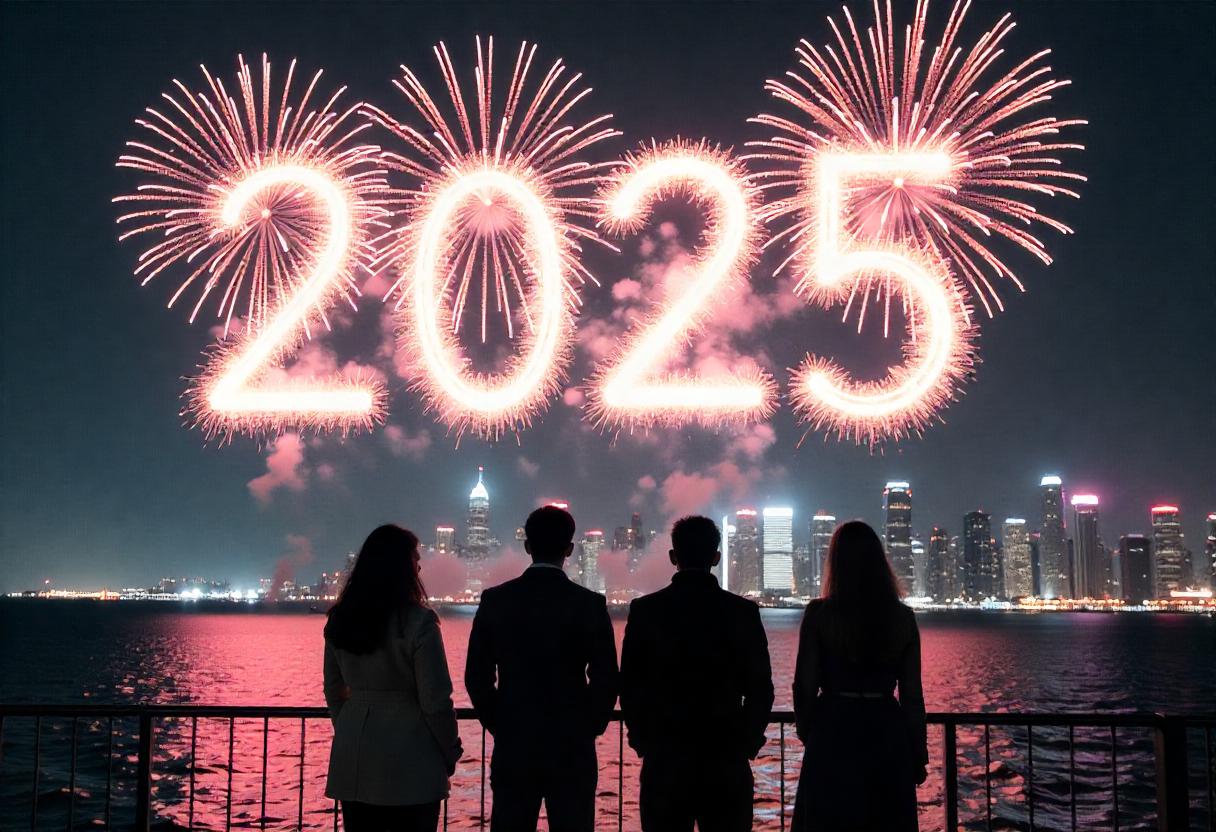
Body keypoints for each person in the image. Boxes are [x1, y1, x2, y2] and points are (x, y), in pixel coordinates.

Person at [465, 505, 619, 832]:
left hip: (515, 746)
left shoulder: (496, 600)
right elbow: (606, 677)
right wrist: (588, 725)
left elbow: (476, 676)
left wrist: (500, 724)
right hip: (572, 748)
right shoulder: (588, 604)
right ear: (570, 549)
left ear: (527, 545)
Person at [620, 515, 774, 832]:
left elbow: (630, 685)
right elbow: (760, 688)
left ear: (673, 557)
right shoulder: (742, 612)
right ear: (716, 558)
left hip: (664, 758)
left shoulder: (646, 611)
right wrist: (748, 741)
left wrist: (641, 739)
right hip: (726, 758)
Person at [323, 525, 463, 832]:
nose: (420, 565)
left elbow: (333, 690)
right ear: (402, 566)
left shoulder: (340, 619)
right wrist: (450, 750)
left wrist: (348, 726)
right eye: (415, 557)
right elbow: (435, 700)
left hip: (355, 754)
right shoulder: (419, 622)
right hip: (411, 758)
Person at [791, 520, 928, 832]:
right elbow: (912, 695)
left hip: (833, 729)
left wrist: (808, 731)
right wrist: (917, 754)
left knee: (827, 819)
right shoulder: (902, 618)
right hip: (886, 731)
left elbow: (804, 685)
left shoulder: (819, 615)